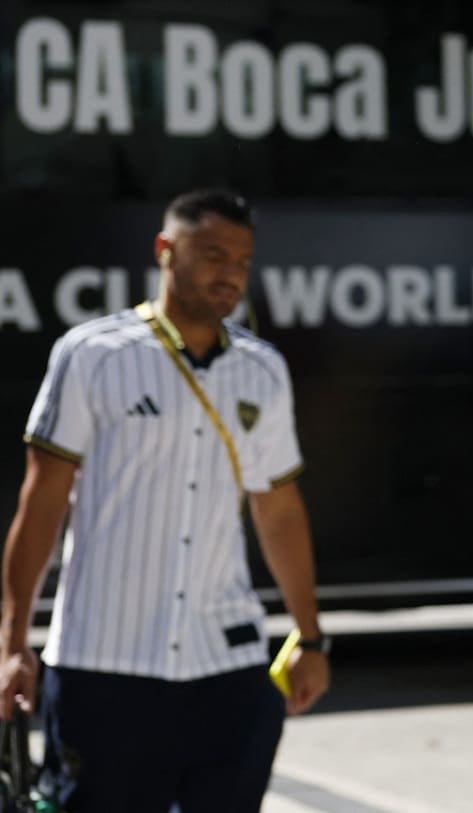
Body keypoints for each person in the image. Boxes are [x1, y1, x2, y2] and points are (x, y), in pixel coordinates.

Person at [0, 189, 330, 812]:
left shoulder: (262, 370)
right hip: (103, 667)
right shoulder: (92, 355)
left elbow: (278, 508)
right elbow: (41, 501)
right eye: (211, 254)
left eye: (241, 260)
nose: (229, 272)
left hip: (226, 668)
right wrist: (12, 643)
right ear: (164, 251)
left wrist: (310, 638)